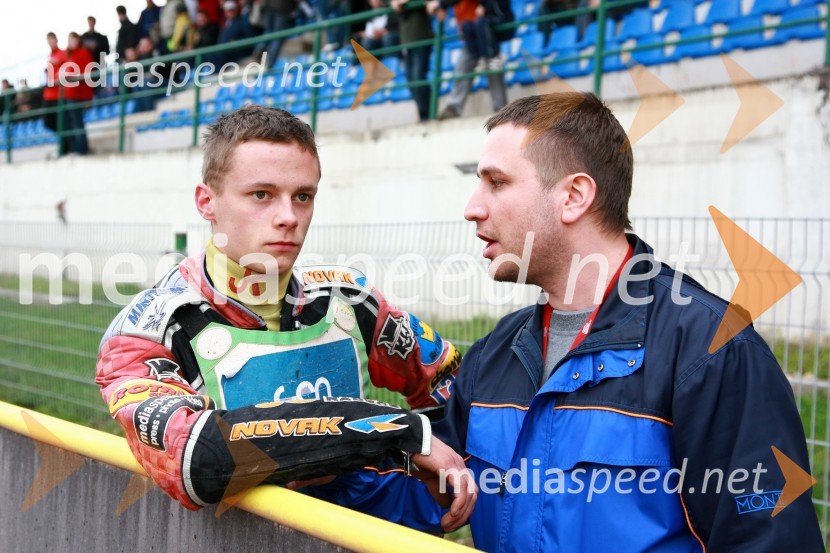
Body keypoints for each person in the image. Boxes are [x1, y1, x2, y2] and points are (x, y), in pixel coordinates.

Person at [423, 92, 825, 550]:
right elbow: (417, 497)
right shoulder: (496, 350)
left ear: (573, 196)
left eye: (496, 183)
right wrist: (352, 431)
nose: (472, 207)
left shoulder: (712, 348)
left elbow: (768, 540)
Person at [95, 105, 474, 530]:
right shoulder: (148, 329)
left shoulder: (349, 300)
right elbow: (198, 459)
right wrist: (393, 432)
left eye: (303, 196)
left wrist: (420, 495)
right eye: (261, 195)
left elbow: (451, 384)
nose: (288, 217)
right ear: (207, 201)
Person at [427, 0, 507, 120]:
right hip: (471, 34)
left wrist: (440, 4)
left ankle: (502, 110)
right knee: (463, 68)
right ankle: (454, 108)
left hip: (484, 29)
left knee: (492, 67)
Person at [391, 0, 433, 122]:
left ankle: (428, 113)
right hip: (407, 40)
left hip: (421, 36)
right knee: (411, 79)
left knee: (418, 76)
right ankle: (423, 114)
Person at [61, 32, 94, 155]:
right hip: (69, 94)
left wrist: (88, 98)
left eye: (74, 40)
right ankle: (75, 147)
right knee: (70, 123)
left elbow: (87, 73)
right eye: (70, 40)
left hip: (79, 94)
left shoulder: (83, 53)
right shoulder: (69, 55)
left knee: (77, 122)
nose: (72, 42)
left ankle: (82, 148)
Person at [42, 32, 67, 136]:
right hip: (49, 94)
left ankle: (66, 145)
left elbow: (67, 70)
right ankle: (64, 142)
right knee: (48, 121)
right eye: (49, 39)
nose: (51, 41)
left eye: (52, 39)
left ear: (56, 40)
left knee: (61, 121)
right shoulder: (49, 56)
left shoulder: (63, 53)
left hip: (59, 94)